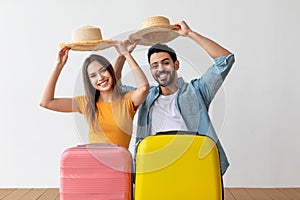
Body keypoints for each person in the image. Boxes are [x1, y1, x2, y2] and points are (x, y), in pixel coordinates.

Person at [131, 20, 235, 175]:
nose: (160, 69)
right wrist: (125, 54)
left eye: (165, 63)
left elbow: (225, 60)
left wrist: (190, 34)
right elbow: (112, 88)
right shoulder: (145, 96)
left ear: (176, 64)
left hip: (194, 163)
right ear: (151, 70)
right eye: (155, 65)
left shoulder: (197, 90)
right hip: (154, 165)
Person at [40, 40, 149, 148]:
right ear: (89, 82)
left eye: (103, 70)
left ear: (110, 70)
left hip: (120, 163)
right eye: (93, 76)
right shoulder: (87, 102)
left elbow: (143, 88)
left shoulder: (127, 100)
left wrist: (126, 54)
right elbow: (46, 102)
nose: (100, 78)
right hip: (93, 163)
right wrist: (59, 65)